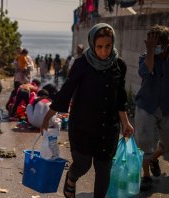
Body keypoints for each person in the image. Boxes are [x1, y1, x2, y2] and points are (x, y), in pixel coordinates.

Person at [41, 23, 134, 198]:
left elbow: (120, 97)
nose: (104, 51)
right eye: (99, 47)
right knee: (83, 165)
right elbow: (66, 91)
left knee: (103, 168)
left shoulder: (119, 65)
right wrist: (47, 116)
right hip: (83, 125)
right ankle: (71, 178)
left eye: (108, 46)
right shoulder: (81, 64)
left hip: (108, 127)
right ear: (92, 44)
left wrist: (125, 122)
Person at [134, 25, 169, 191]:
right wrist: (150, 50)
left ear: (166, 44)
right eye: (150, 43)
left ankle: (152, 159)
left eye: (156, 44)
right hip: (147, 106)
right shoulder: (145, 57)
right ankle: (146, 176)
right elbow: (146, 71)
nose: (151, 46)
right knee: (144, 143)